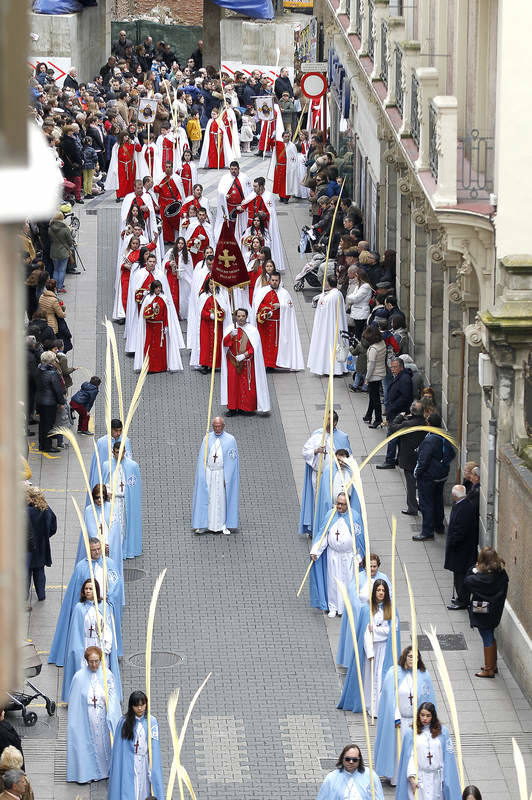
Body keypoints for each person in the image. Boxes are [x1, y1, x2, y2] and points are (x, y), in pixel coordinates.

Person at [49, 537, 124, 665]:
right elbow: (76, 591)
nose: (97, 552)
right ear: (88, 551)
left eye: (99, 549)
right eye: (93, 550)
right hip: (87, 607)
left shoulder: (109, 564)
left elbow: (116, 584)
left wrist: (109, 597)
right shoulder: (81, 567)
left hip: (104, 606)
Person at [374, 646, 436, 786]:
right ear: (405, 657)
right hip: (400, 719)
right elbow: (389, 698)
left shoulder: (424, 675)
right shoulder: (394, 673)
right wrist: (395, 715)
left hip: (415, 720)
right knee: (399, 749)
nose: (413, 659)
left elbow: (427, 698)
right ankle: (396, 777)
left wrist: (421, 719)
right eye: (410, 656)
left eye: (416, 657)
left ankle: (414, 777)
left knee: (414, 750)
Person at [338, 580, 400, 716]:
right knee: (369, 676)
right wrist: (371, 642)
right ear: (374, 592)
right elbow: (365, 631)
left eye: (383, 591)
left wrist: (376, 631)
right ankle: (368, 704)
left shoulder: (391, 608)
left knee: (380, 676)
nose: (381, 593)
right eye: (378, 590)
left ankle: (378, 708)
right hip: (370, 648)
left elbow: (392, 630)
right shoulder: (367, 609)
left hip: (384, 648)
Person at [66, 646, 121, 783]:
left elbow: (113, 696)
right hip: (87, 717)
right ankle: (89, 772)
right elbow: (75, 703)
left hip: (103, 715)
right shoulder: (79, 678)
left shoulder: (107, 675)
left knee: (104, 744)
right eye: (91, 661)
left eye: (97, 661)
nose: (94, 664)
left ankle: (106, 770)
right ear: (86, 661)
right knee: (88, 744)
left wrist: (112, 713)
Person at [62, 577, 121, 702]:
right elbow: (75, 632)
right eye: (86, 589)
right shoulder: (79, 608)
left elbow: (109, 628)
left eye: (91, 588)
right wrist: (78, 650)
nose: (88, 591)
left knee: (101, 669)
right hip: (86, 643)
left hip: (99, 643)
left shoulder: (104, 607)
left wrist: (106, 643)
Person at [310, 493, 364, 617]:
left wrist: (359, 557)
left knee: (347, 581)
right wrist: (316, 551)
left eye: (342, 504)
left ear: (348, 505)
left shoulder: (354, 517)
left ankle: (346, 607)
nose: (338, 506)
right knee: (333, 580)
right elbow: (324, 534)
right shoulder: (331, 515)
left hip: (348, 556)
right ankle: (333, 606)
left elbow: (359, 539)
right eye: (338, 503)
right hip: (333, 554)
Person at [299, 412, 351, 535]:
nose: (325, 422)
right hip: (319, 475)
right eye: (324, 419)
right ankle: (317, 528)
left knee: (331, 501)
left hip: (335, 477)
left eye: (328, 420)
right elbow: (305, 451)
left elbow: (348, 457)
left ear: (335, 422)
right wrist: (316, 451)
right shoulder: (317, 434)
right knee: (318, 502)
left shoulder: (342, 437)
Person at [396, 702, 461, 800]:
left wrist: (445, 779)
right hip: (420, 778)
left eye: (428, 716)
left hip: (436, 778)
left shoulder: (442, 732)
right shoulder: (411, 733)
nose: (424, 718)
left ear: (433, 716)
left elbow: (446, 759)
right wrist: (411, 778)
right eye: (422, 715)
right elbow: (409, 757)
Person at [336, 554, 390, 669]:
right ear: (364, 566)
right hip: (362, 613)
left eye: (374, 566)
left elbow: (389, 594)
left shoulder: (383, 578)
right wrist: (362, 609)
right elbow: (352, 595)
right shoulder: (358, 578)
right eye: (369, 566)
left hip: (378, 614)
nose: (372, 569)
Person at [108, 691, 164, 800]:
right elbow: (119, 750)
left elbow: (154, 746)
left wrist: (152, 767)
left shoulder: (152, 721)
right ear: (131, 706)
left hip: (144, 762)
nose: (140, 708)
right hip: (129, 762)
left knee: (144, 788)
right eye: (136, 705)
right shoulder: (123, 722)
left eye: (142, 705)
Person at [463, 546, 509, 678]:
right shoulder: (501, 575)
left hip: (481, 609)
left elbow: (467, 581)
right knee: (490, 634)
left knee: (486, 636)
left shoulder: (479, 578)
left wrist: (474, 569)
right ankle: (493, 665)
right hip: (495, 611)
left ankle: (488, 669)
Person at [192, 417, 240, 536]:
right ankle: (204, 524)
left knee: (220, 499)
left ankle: (222, 524)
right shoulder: (207, 438)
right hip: (209, 473)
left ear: (223, 426)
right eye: (215, 426)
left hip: (221, 474)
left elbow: (232, 461)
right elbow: (202, 458)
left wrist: (227, 477)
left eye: (219, 426)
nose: (217, 429)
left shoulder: (230, 440)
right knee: (207, 498)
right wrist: (202, 474)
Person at [413, 413, 455, 541]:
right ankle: (439, 525)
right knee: (438, 500)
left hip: (429, 477)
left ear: (429, 424)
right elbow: (452, 453)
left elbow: (423, 460)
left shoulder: (430, 439)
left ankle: (427, 531)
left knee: (427, 503)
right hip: (441, 475)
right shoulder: (443, 436)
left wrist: (417, 473)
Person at [221, 308, 270, 416]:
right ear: (235, 317)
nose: (241, 318)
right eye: (238, 316)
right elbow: (224, 343)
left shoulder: (252, 330)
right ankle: (233, 408)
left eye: (243, 316)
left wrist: (244, 355)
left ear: (246, 317)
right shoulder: (230, 329)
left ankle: (246, 408)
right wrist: (230, 336)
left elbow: (255, 348)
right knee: (233, 385)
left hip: (247, 362)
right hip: (233, 361)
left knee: (247, 386)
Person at [251, 271, 304, 371]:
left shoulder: (284, 293)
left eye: (276, 280)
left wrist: (281, 306)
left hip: (278, 325)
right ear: (269, 280)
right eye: (273, 280)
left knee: (276, 346)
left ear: (279, 281)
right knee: (264, 345)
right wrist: (265, 310)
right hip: (265, 325)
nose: (274, 282)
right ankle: (264, 364)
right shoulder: (262, 292)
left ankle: (274, 364)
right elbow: (257, 305)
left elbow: (290, 306)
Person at [102, 442, 143, 559]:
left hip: (125, 502)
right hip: (112, 502)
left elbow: (135, 487)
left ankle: (125, 549)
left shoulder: (132, 466)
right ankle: (112, 549)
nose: (119, 455)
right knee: (112, 525)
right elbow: (103, 483)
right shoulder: (107, 465)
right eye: (116, 452)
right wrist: (106, 493)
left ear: (125, 452)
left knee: (124, 526)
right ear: (113, 452)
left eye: (121, 452)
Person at [134, 280, 184, 373]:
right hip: (150, 326)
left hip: (160, 328)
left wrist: (166, 326)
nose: (158, 289)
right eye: (157, 288)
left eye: (159, 287)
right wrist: (151, 309)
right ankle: (149, 367)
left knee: (159, 349)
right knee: (149, 347)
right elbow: (144, 313)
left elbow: (167, 314)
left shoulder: (164, 298)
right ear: (153, 288)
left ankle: (161, 367)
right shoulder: (148, 298)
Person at [390, 400, 427, 516]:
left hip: (408, 458)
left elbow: (393, 427)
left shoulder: (408, 424)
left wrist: (399, 417)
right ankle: (421, 504)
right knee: (421, 482)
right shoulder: (425, 423)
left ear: (412, 411)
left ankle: (412, 507)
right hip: (421, 457)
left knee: (411, 483)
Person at [239, 177, 285, 271]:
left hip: (263, 226)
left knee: (263, 245)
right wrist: (238, 209)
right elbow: (244, 206)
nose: (254, 188)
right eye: (253, 186)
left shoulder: (268, 196)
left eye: (256, 186)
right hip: (251, 225)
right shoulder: (252, 194)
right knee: (250, 244)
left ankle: (265, 265)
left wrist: (264, 214)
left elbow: (271, 214)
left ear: (262, 186)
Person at [444, 485, 478, 610]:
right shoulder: (464, 505)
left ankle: (462, 600)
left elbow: (459, 531)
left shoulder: (463, 509)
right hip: (463, 550)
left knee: (460, 575)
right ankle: (461, 598)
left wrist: (452, 543)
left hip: (461, 551)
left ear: (454, 496)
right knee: (459, 575)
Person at [376, 358, 413, 469]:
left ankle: (390, 460)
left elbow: (405, 397)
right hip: (395, 412)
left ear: (401, 367)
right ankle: (398, 459)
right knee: (397, 438)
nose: (392, 369)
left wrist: (392, 407)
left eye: (395, 367)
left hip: (399, 413)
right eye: (391, 367)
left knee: (391, 437)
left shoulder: (404, 379)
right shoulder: (399, 377)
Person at [307, 276, 348, 376]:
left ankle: (328, 368)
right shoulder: (338, 294)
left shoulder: (328, 297)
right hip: (336, 326)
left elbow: (322, 308)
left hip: (328, 327)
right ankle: (339, 368)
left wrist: (321, 298)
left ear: (328, 283)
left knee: (328, 345)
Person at [317, 744, 384, 800]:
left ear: (359, 760)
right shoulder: (331, 778)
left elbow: (379, 796)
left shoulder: (371, 776)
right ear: (342, 759)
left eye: (354, 760)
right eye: (347, 759)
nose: (351, 762)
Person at [192, 278, 230, 374]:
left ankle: (215, 364)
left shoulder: (220, 296)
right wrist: (210, 315)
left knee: (216, 345)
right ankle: (205, 365)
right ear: (207, 285)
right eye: (211, 284)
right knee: (206, 345)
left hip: (217, 325)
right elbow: (200, 312)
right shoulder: (203, 296)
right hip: (206, 325)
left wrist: (219, 314)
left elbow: (224, 310)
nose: (212, 286)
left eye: (214, 284)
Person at [26, 486, 57, 602]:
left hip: (27, 548)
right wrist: (45, 536)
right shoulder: (46, 510)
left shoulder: (25, 511)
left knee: (26, 574)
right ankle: (41, 594)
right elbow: (53, 527)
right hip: (42, 547)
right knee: (40, 572)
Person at [213, 161, 253, 244]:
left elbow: (249, 192)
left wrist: (245, 202)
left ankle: (240, 240)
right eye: (231, 169)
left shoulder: (245, 178)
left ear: (239, 169)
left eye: (235, 169)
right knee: (230, 224)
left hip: (240, 207)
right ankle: (230, 240)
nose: (233, 171)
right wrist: (224, 195)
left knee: (240, 224)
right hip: (229, 207)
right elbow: (220, 190)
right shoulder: (225, 178)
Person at [89, 419, 133, 490]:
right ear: (110, 429)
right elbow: (97, 465)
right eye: (116, 431)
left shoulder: (125, 440)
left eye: (120, 430)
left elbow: (129, 459)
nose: (119, 433)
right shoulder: (101, 442)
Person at [35, 351, 64, 453]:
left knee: (42, 424)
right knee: (49, 425)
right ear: (51, 361)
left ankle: (41, 444)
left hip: (39, 400)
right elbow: (57, 389)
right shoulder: (52, 373)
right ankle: (48, 446)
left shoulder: (38, 369)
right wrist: (61, 402)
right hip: (50, 403)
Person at [153, 161, 184, 245]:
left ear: (172, 168)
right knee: (165, 222)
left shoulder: (177, 178)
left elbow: (179, 192)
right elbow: (155, 190)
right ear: (164, 167)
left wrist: (179, 200)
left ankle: (176, 238)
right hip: (163, 202)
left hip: (173, 203)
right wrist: (160, 186)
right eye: (166, 167)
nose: (168, 169)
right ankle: (167, 239)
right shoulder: (160, 178)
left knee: (175, 220)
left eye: (170, 167)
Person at [105, 131, 142, 201]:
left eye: (127, 136)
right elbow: (114, 157)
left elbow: (139, 149)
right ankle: (119, 195)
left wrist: (135, 142)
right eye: (125, 136)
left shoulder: (131, 143)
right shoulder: (117, 146)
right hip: (121, 165)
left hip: (130, 164)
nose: (127, 137)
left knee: (131, 180)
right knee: (121, 181)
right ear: (121, 137)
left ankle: (132, 195)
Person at [362, 325, 386, 428]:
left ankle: (378, 419)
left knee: (375, 398)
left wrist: (367, 378)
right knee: (373, 396)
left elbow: (371, 365)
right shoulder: (382, 343)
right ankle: (368, 415)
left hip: (374, 375)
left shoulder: (373, 349)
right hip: (381, 372)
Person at [48, 212, 73, 292]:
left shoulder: (50, 228)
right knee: (62, 270)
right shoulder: (65, 229)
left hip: (53, 251)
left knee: (56, 270)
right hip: (63, 252)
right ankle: (60, 287)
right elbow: (70, 242)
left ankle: (54, 287)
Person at [272, 130, 298, 203]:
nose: (287, 138)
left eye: (288, 136)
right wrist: (273, 135)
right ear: (282, 137)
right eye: (285, 136)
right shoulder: (279, 144)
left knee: (286, 183)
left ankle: (286, 198)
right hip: (279, 166)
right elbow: (269, 143)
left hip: (287, 167)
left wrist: (293, 167)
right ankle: (281, 196)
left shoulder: (292, 146)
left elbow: (294, 157)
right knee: (279, 183)